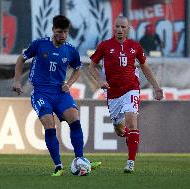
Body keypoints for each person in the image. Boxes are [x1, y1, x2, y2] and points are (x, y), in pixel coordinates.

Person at [12, 15, 101, 176]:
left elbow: (78, 68)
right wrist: (17, 81)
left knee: (74, 117)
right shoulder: (40, 45)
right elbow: (21, 59)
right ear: (53, 30)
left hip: (60, 92)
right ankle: (58, 166)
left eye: (65, 32)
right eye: (60, 32)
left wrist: (70, 83)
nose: (63, 35)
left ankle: (80, 159)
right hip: (41, 92)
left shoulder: (70, 50)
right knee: (49, 125)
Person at [89, 16, 163, 173]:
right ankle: (126, 133)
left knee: (131, 121)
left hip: (131, 88)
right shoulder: (105, 46)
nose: (120, 30)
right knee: (119, 129)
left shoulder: (135, 47)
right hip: (112, 93)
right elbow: (92, 66)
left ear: (128, 28)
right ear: (113, 28)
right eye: (117, 27)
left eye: (123, 27)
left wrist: (156, 87)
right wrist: (100, 81)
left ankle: (130, 162)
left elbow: (145, 67)